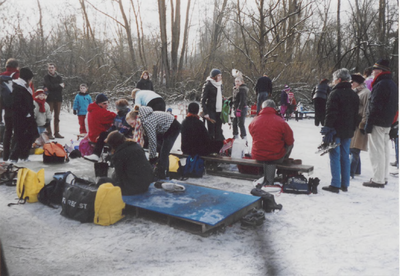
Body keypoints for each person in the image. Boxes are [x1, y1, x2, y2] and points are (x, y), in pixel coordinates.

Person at [321, 68, 359, 193]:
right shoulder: (353, 94)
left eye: (334, 79)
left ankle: (335, 183)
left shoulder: (335, 93)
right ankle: (345, 183)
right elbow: (356, 114)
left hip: (335, 129)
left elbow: (331, 113)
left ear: (339, 79)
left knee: (335, 156)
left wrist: (327, 128)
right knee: (345, 156)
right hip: (348, 130)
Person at [363, 59, 398, 188]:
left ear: (380, 71)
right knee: (384, 150)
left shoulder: (381, 84)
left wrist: (369, 123)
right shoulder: (392, 84)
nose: (372, 72)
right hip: (387, 121)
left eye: (374, 69)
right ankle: (383, 176)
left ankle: (378, 179)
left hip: (378, 121)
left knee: (376, 151)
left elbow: (374, 106)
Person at [126, 105, 181, 180]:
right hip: (163, 128)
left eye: (132, 123)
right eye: (130, 125)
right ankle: (160, 168)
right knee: (161, 150)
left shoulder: (146, 122)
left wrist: (152, 158)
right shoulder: (141, 119)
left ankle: (162, 174)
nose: (132, 126)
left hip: (173, 127)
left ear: (136, 118)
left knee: (164, 152)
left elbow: (152, 140)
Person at [249, 99, 294, 185]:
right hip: (275, 156)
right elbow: (290, 140)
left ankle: (264, 174)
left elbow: (252, 133)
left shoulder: (254, 120)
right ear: (274, 108)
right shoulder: (281, 122)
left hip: (258, 155)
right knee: (289, 144)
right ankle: (283, 161)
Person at [104, 130, 154, 195]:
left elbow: (119, 176)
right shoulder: (136, 146)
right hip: (146, 184)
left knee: (103, 180)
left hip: (132, 188)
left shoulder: (119, 154)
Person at [9, 68, 38, 162]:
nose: (31, 81)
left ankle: (24, 156)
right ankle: (14, 157)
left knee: (30, 135)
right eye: (30, 79)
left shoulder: (25, 87)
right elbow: (16, 104)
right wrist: (26, 112)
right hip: (20, 117)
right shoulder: (18, 87)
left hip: (28, 116)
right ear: (27, 78)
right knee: (21, 137)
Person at [349, 74, 370, 178]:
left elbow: (367, 109)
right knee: (353, 147)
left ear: (359, 83)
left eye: (353, 82)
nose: (351, 84)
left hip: (360, 122)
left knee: (355, 149)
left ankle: (350, 172)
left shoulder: (366, 93)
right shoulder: (356, 92)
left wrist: (363, 123)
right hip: (355, 122)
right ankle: (356, 170)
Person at [84, 93, 116, 162]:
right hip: (98, 136)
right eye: (104, 103)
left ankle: (98, 155)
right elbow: (114, 116)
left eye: (107, 103)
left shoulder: (92, 109)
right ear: (99, 104)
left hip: (92, 134)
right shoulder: (100, 112)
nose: (106, 105)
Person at [0, 58, 19, 161]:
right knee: (16, 131)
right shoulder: (19, 77)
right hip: (17, 108)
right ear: (16, 67)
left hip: (6, 108)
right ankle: (13, 155)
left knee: (7, 131)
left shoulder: (1, 76)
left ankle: (6, 156)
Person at [201, 68, 224, 141]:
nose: (220, 77)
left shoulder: (220, 85)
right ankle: (210, 147)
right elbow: (203, 100)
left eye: (221, 76)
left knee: (218, 130)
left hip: (219, 110)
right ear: (214, 77)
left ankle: (217, 147)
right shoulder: (208, 85)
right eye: (219, 76)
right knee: (211, 131)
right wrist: (206, 112)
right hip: (211, 110)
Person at [43, 63, 65, 139]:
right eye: (49, 68)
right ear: (48, 69)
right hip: (50, 99)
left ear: (55, 68)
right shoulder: (46, 77)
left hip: (58, 98)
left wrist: (55, 87)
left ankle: (57, 132)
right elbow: (49, 86)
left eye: (52, 67)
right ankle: (49, 132)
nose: (51, 69)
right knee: (48, 116)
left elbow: (61, 87)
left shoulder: (59, 77)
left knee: (57, 116)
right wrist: (58, 86)